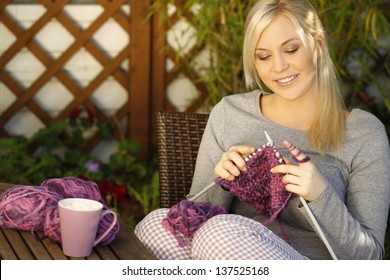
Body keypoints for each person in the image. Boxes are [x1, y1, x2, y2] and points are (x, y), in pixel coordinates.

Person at [135, 0, 390, 260]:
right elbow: (193, 219)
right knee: (156, 225)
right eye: (264, 56)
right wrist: (221, 183)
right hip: (227, 257)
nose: (279, 67)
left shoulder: (363, 133)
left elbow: (369, 259)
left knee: (219, 233)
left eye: (291, 49)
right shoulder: (230, 113)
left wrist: (320, 196)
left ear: (317, 46)